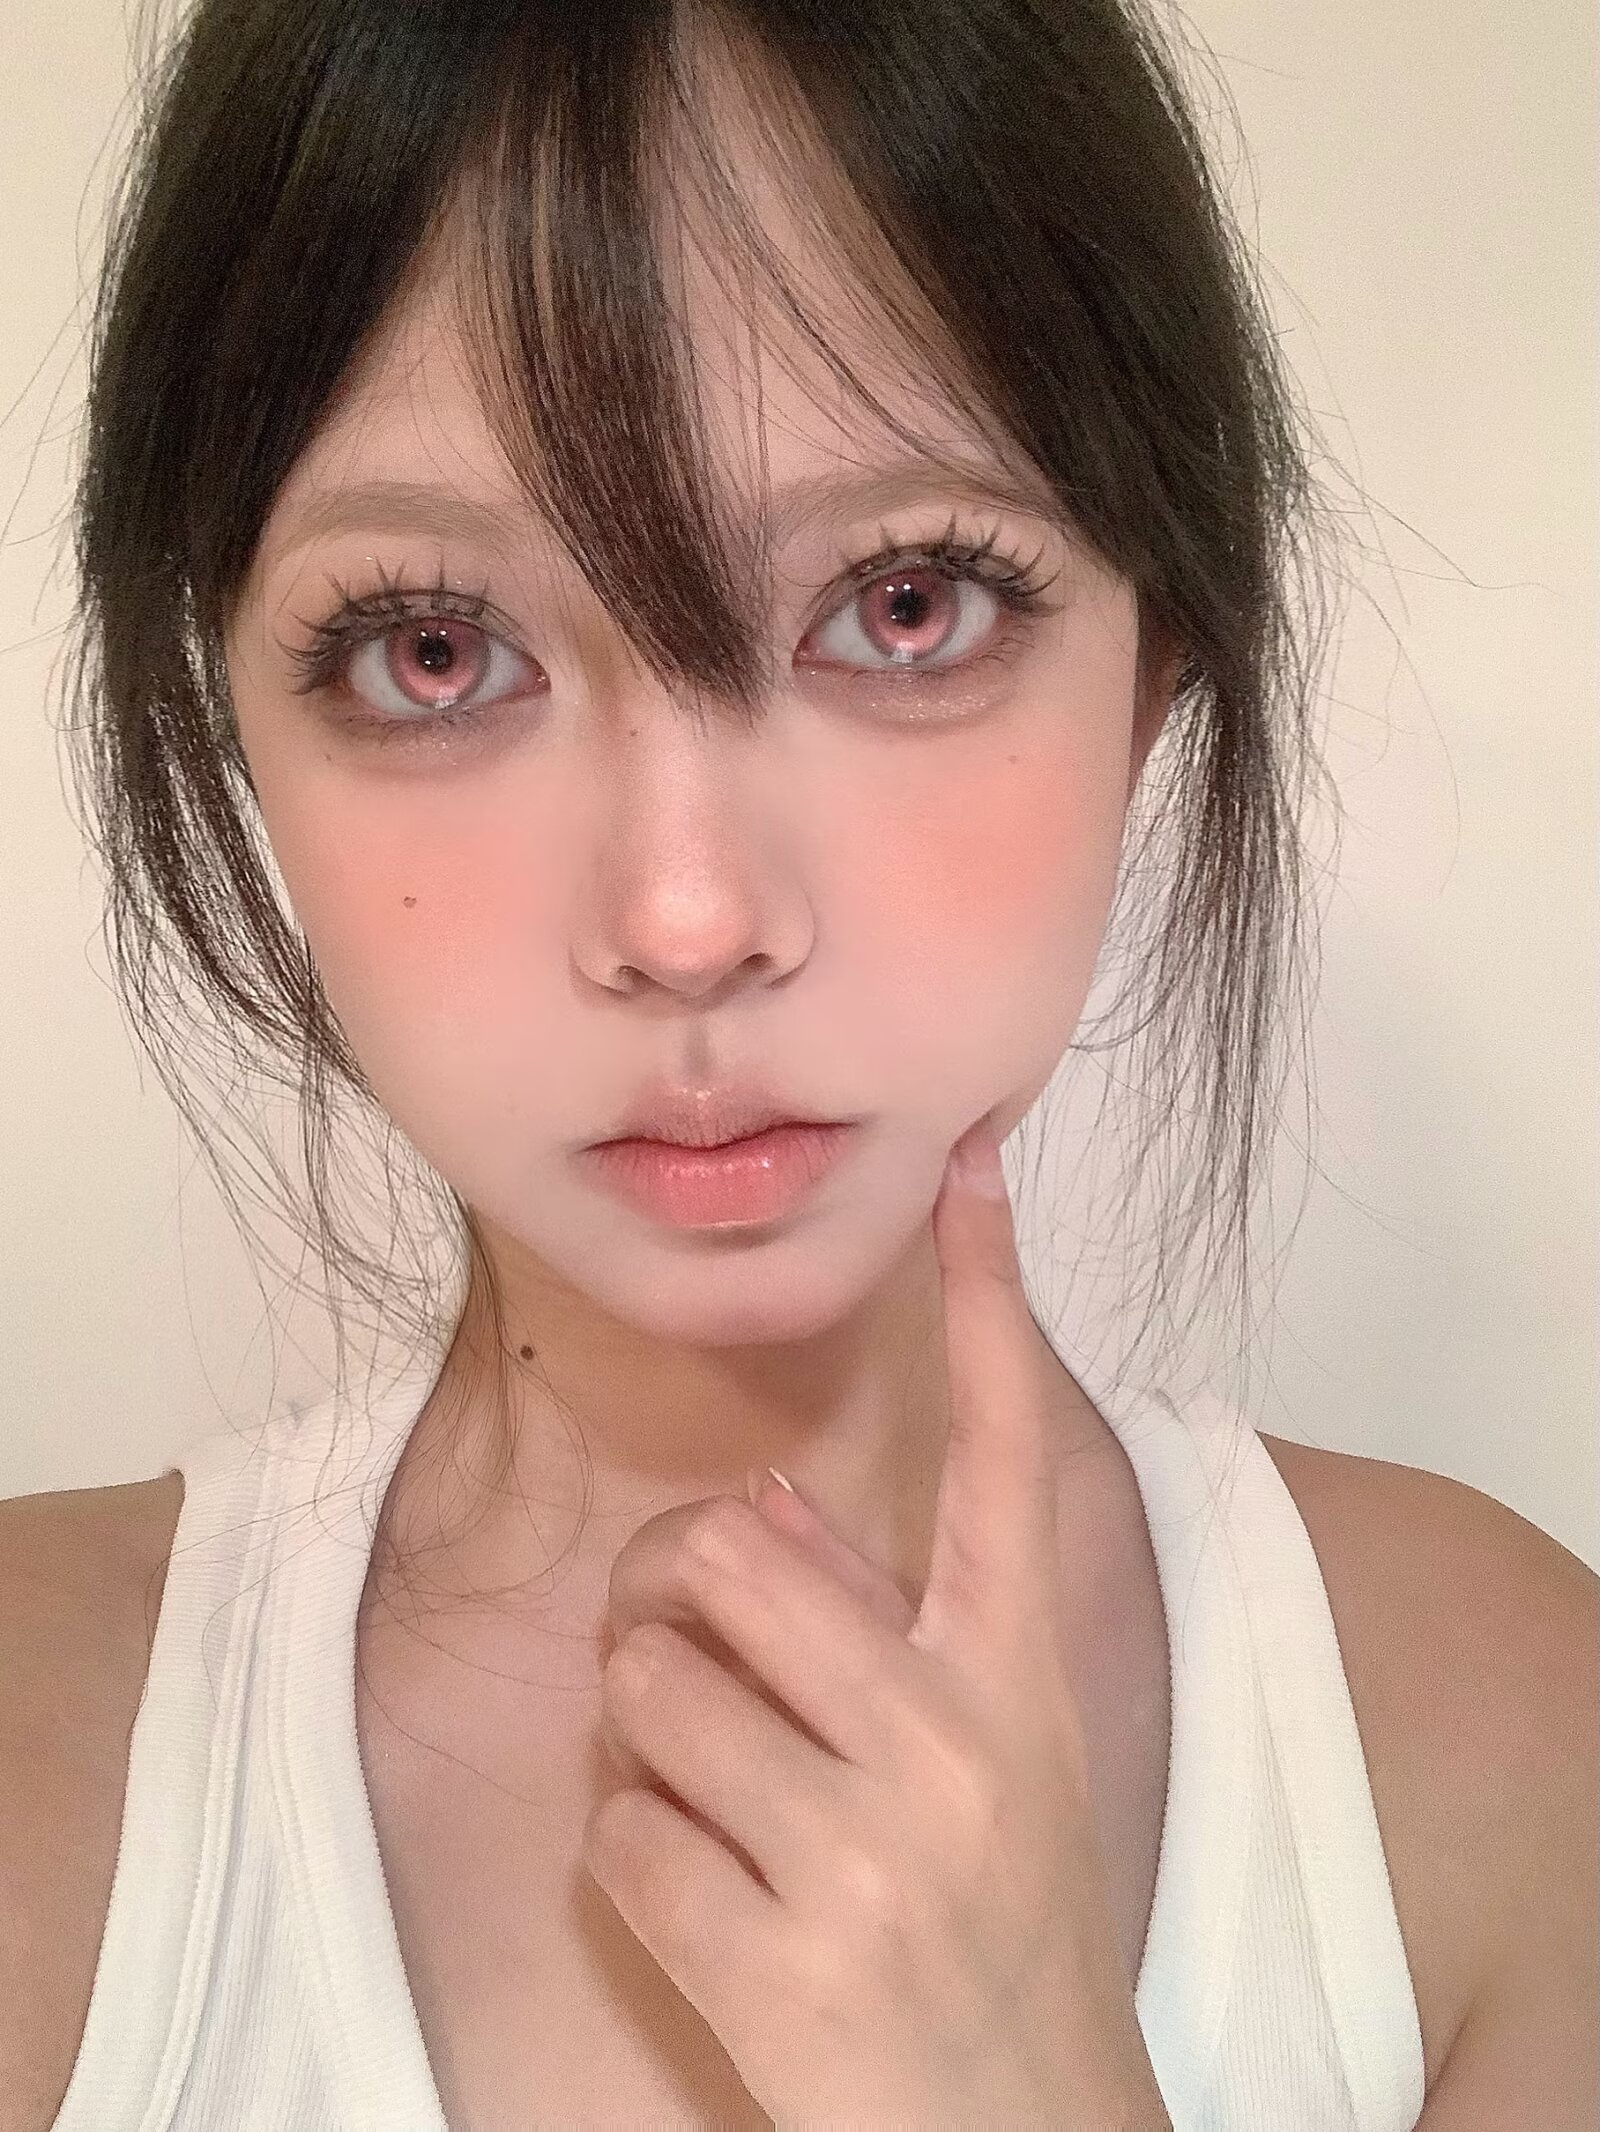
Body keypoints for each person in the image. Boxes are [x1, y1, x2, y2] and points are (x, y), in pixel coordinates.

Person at [2, 0, 1593, 2127]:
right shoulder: (35, 1763)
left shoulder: (1512, 1746)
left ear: (1152, 671)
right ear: (237, 730)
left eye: (906, 603)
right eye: (435, 651)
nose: (687, 914)